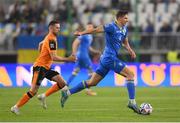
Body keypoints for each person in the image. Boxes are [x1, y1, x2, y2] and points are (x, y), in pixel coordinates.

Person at [61, 10, 141, 114]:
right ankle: (132, 102)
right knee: (130, 74)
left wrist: (130, 50)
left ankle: (67, 92)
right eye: (125, 18)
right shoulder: (111, 26)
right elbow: (95, 30)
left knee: (92, 82)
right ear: (120, 18)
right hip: (109, 58)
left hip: (105, 60)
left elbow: (125, 41)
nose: (127, 19)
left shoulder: (124, 29)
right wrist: (81, 33)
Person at [10, 20, 76, 115]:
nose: (59, 29)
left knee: (62, 83)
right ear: (51, 28)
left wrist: (42, 54)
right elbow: (54, 57)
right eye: (57, 28)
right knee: (33, 91)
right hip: (40, 67)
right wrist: (69, 59)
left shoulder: (49, 37)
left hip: (46, 67)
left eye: (59, 28)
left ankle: (44, 96)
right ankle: (15, 107)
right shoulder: (51, 39)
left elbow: (40, 44)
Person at [67, 23, 101, 96]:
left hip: (80, 55)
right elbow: (75, 42)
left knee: (75, 72)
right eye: (88, 26)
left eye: (91, 27)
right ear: (86, 27)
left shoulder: (90, 36)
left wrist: (95, 52)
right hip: (83, 55)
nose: (90, 28)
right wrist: (73, 53)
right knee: (91, 72)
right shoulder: (84, 35)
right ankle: (88, 90)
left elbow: (88, 47)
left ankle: (65, 86)